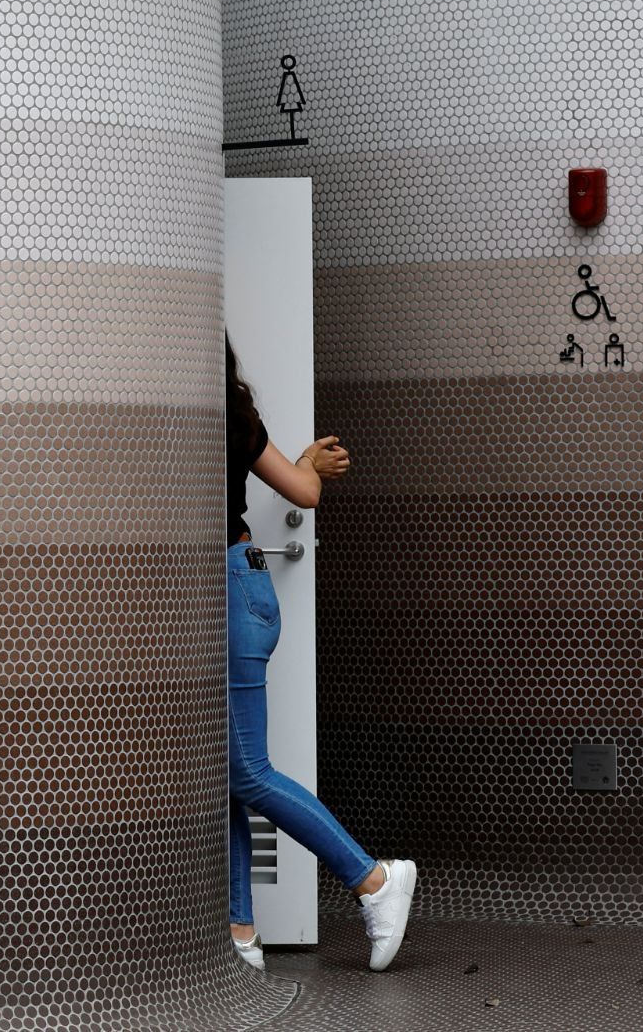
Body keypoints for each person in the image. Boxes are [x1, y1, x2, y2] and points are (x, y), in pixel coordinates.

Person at [225, 336, 416, 973]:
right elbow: (303, 484)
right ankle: (241, 932)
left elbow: (305, 496)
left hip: (231, 589)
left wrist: (306, 468)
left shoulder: (214, 412)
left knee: (247, 770)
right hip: (230, 589)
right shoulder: (228, 410)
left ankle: (373, 879)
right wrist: (306, 462)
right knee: (228, 774)